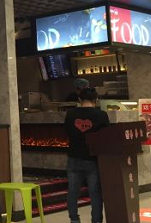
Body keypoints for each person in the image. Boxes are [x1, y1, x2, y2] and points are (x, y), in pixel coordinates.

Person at [64, 87, 109, 223]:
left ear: (79, 99)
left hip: (74, 156)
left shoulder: (70, 114)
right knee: (95, 192)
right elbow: (107, 136)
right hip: (93, 158)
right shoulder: (101, 115)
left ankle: (74, 220)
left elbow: (67, 131)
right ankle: (96, 220)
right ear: (96, 99)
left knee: (73, 191)